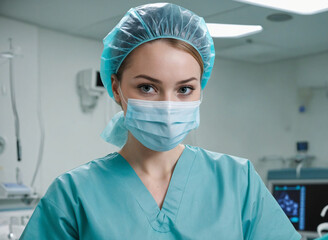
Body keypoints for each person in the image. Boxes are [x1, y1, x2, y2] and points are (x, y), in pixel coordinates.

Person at [20, 3, 301, 240]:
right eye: (147, 87)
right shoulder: (73, 196)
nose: (168, 106)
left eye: (184, 89)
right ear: (116, 89)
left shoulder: (238, 182)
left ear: (201, 89)